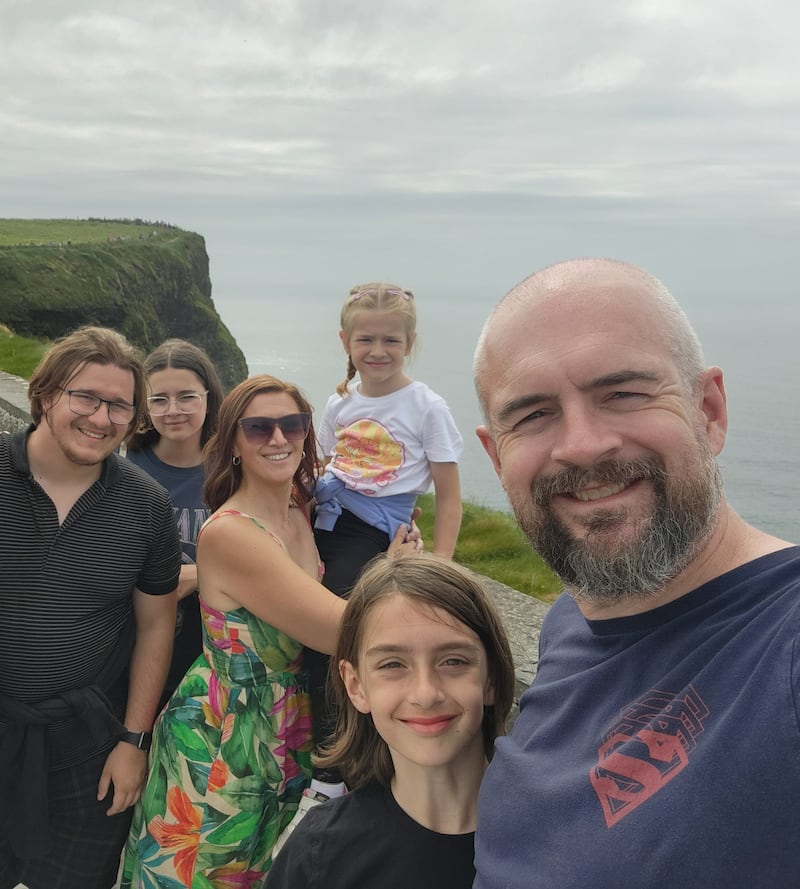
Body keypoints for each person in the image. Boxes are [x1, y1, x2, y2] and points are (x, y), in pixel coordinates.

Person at [471, 258, 800, 888]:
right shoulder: (573, 619)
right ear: (495, 454)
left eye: (622, 393)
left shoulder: (782, 638)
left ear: (709, 409)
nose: (584, 444)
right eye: (534, 414)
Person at [120, 374, 417, 888]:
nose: (278, 439)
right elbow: (338, 630)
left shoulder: (299, 512)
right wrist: (394, 570)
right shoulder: (235, 534)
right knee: (197, 875)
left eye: (292, 425)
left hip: (281, 724)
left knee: (252, 873)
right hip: (227, 732)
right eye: (258, 428)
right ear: (233, 441)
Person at [0, 326, 180, 889]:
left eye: (120, 407)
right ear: (46, 393)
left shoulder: (146, 505)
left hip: (89, 746)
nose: (102, 419)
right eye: (86, 398)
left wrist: (133, 741)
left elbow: (156, 626)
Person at [303, 281, 463, 815]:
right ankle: (321, 751)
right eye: (365, 339)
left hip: (374, 532)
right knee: (302, 628)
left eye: (391, 340)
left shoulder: (426, 405)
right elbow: (325, 465)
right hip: (328, 519)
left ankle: (334, 767)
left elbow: (448, 489)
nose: (377, 351)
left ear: (409, 342)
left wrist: (438, 565)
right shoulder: (339, 402)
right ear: (345, 341)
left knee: (335, 639)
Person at [265, 552, 515, 889]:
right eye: (393, 665)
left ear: (492, 679)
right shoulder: (318, 855)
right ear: (356, 686)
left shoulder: (561, 840)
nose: (425, 694)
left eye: (454, 661)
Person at [125, 338, 225, 707]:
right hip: (139, 624)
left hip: (214, 627)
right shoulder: (127, 462)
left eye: (187, 397)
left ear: (208, 397)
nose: (173, 410)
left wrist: (201, 574)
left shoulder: (232, 466)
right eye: (158, 400)